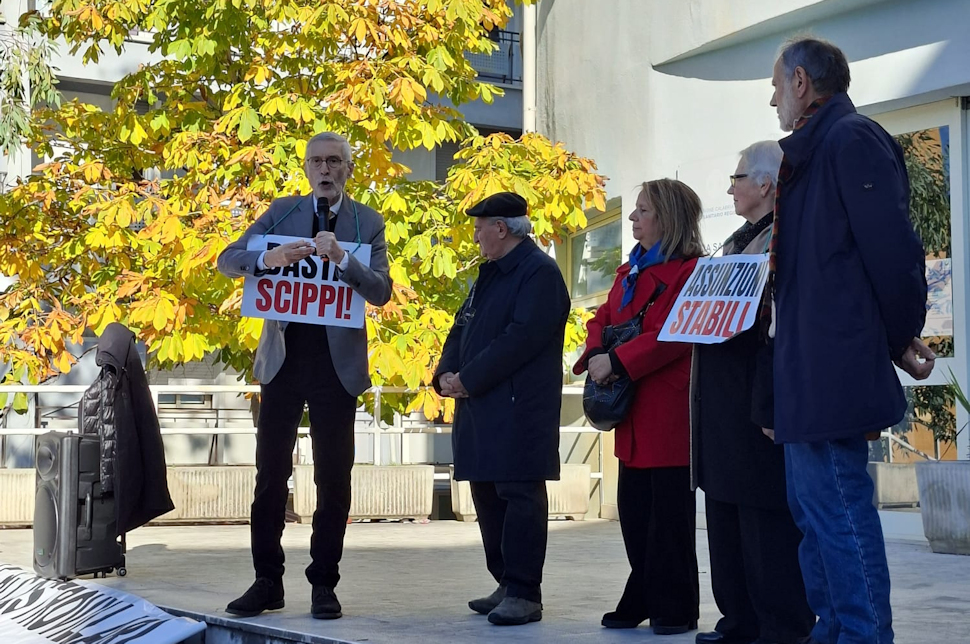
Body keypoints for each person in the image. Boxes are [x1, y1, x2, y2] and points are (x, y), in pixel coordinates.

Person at [768, 37, 934, 644]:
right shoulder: (816, 150)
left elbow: (894, 255)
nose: (773, 99)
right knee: (815, 518)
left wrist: (898, 336)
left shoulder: (851, 140)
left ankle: (863, 636)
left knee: (838, 513)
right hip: (810, 371)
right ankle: (834, 631)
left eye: (777, 85)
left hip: (833, 369)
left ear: (803, 83)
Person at [217, 131, 392, 620]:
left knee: (334, 479)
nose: (325, 170)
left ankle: (324, 584)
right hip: (282, 363)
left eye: (334, 161)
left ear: (348, 169)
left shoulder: (368, 223)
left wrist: (342, 258)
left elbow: (380, 291)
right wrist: (265, 259)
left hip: (336, 370)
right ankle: (266, 581)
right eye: (317, 161)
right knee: (271, 475)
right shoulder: (282, 212)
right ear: (307, 168)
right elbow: (227, 259)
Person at [690, 141, 815, 644]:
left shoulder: (783, 240)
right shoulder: (738, 240)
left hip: (756, 399)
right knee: (723, 515)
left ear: (766, 184)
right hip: (720, 405)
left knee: (764, 521)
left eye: (738, 177)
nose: (730, 187)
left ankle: (779, 625)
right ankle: (737, 618)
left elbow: (775, 329)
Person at [573, 178, 704, 636]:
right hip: (631, 406)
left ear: (666, 218)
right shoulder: (628, 272)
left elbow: (676, 334)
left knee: (668, 518)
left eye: (642, 211)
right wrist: (595, 355)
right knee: (634, 513)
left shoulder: (691, 272)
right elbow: (602, 319)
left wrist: (618, 360)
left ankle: (677, 604)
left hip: (665, 408)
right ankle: (645, 591)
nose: (632, 219)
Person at [433, 191, 570, 626]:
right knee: (487, 495)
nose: (474, 236)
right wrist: (444, 373)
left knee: (519, 495)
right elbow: (462, 325)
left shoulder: (539, 273)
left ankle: (525, 591)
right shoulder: (490, 273)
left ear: (501, 228)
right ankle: (506, 581)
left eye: (480, 227)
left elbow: (521, 339)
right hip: (482, 407)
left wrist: (468, 379)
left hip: (517, 409)